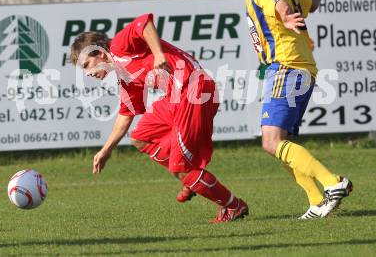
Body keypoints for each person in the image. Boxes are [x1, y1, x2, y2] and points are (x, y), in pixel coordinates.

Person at [219, 0, 352, 219]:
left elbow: (276, 2)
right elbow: (311, 4)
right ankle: (317, 201)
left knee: (271, 141)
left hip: (287, 65)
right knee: (282, 141)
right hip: (298, 65)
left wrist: (284, 15)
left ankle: (332, 183)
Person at [70, 13, 248, 223]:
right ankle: (190, 176)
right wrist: (106, 150)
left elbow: (143, 22)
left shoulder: (118, 45)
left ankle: (233, 206)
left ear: (98, 52)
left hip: (193, 90)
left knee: (180, 167)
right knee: (140, 137)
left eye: (86, 65)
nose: (87, 73)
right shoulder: (125, 76)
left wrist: (158, 54)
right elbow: (126, 115)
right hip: (175, 98)